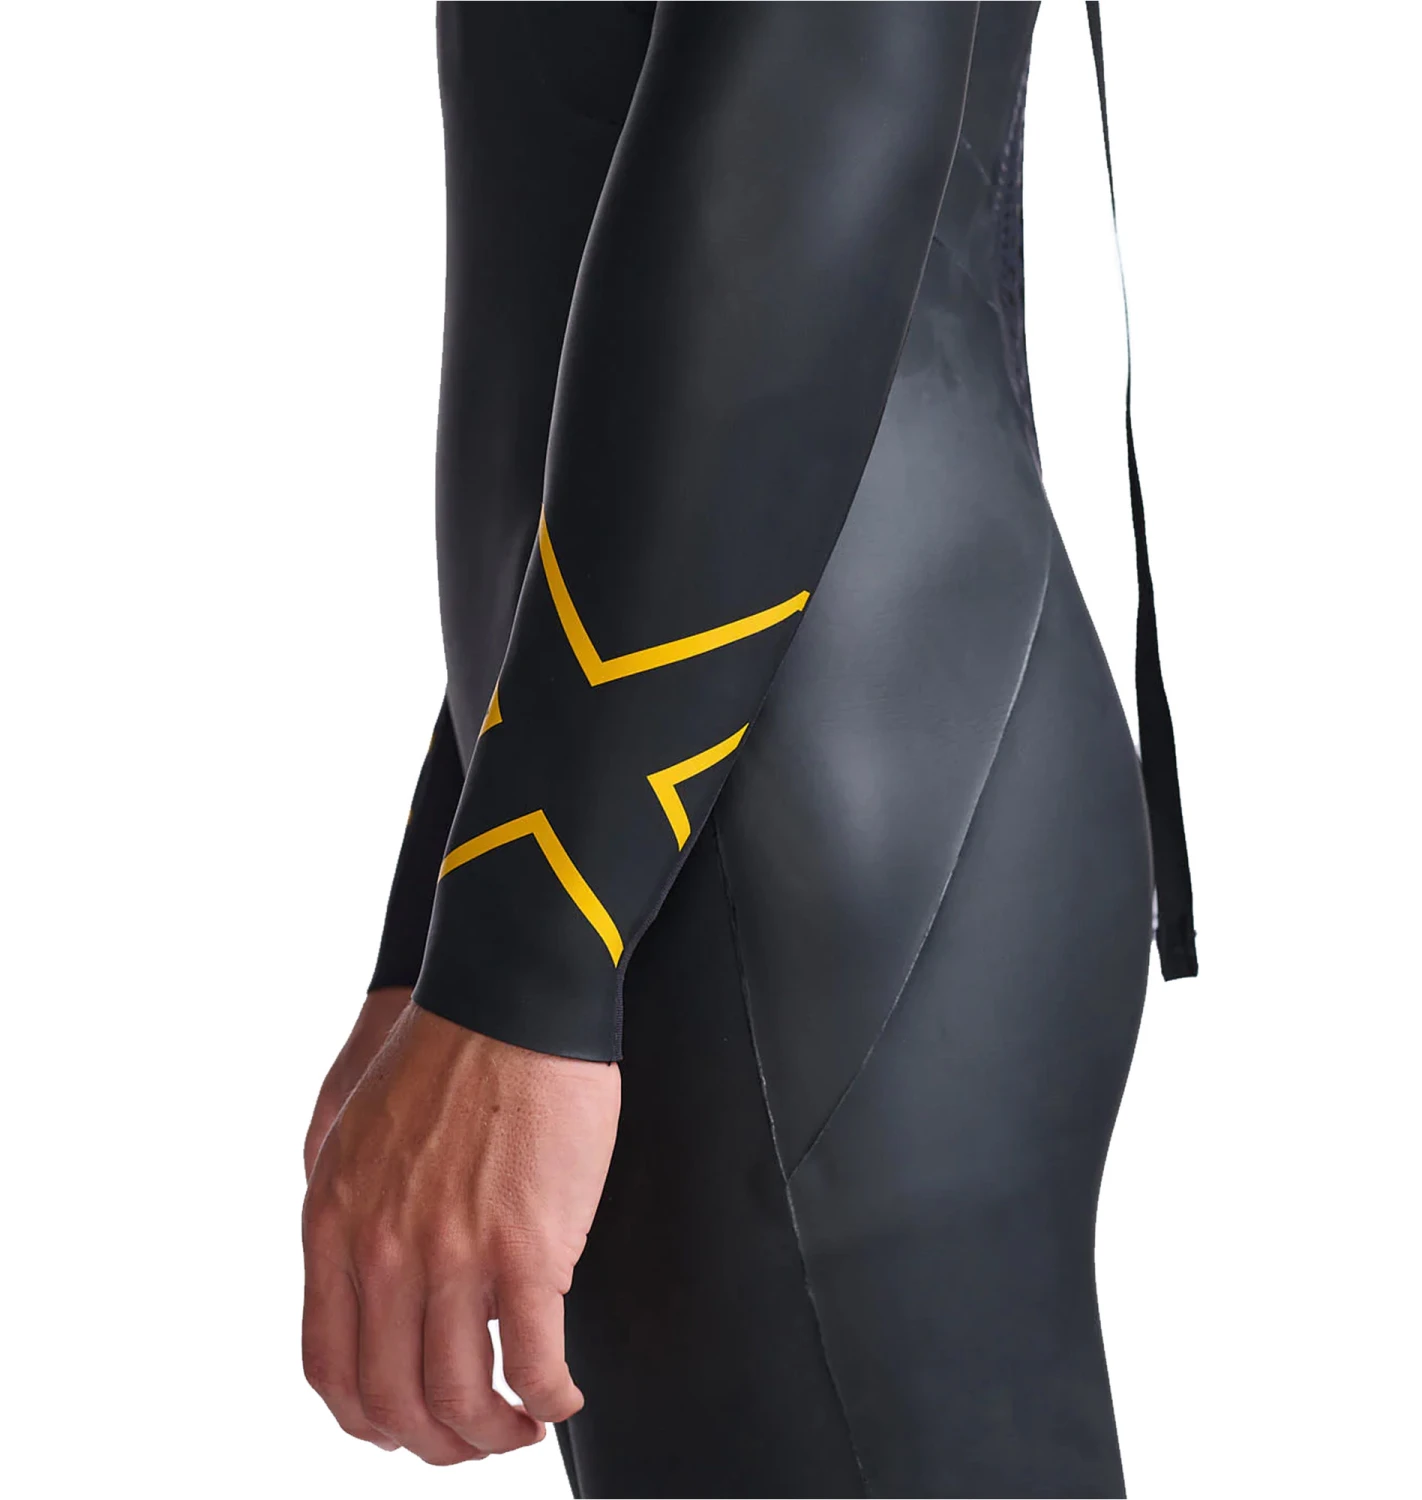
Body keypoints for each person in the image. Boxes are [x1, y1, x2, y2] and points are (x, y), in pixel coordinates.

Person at [300, 4, 1197, 1496]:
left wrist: (525, 951)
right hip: (725, 805)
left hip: (785, 830)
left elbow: (816, 100)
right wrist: (453, 922)